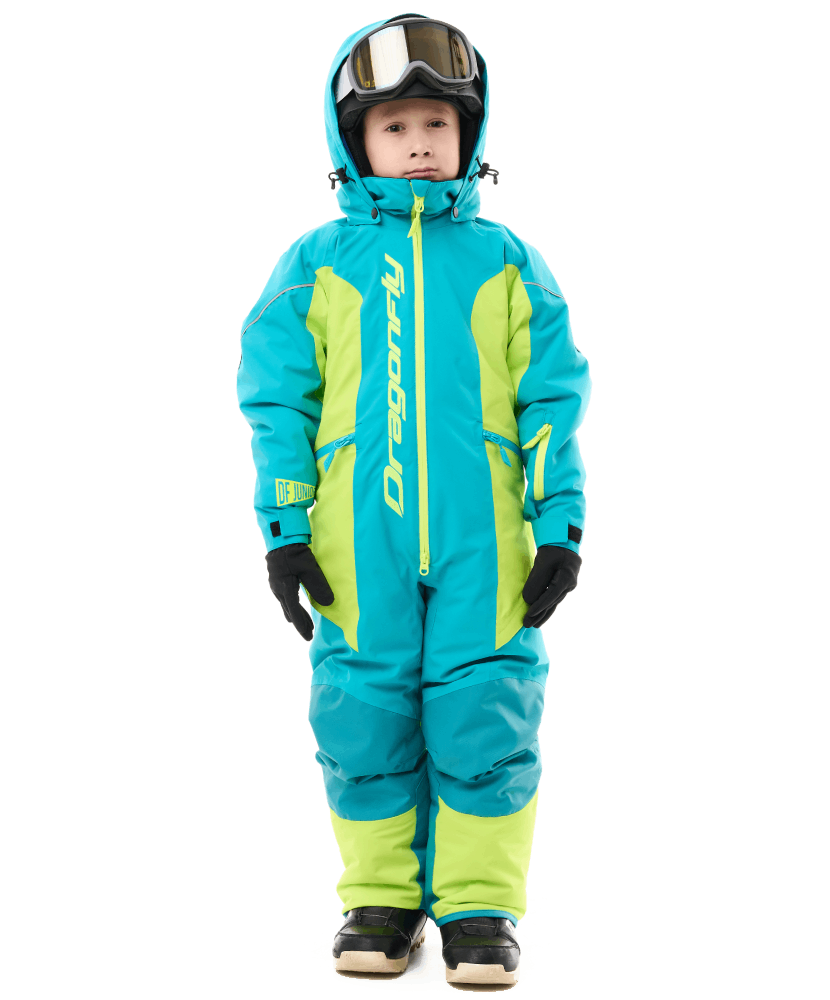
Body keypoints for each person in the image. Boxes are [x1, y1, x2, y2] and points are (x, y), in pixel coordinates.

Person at [237, 15, 590, 986]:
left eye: (438, 122)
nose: (420, 142)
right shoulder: (317, 262)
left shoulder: (508, 262)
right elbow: (278, 402)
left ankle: (478, 906)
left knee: (487, 708)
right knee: (360, 710)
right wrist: (285, 529)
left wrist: (558, 526)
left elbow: (551, 400)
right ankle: (381, 899)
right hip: (358, 540)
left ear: (469, 134)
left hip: (486, 538)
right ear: (355, 142)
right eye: (394, 127)